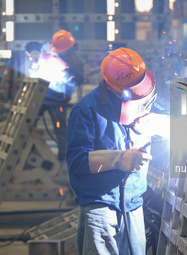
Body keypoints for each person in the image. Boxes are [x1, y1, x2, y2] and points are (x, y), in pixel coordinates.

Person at [66, 48, 162, 255]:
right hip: (100, 208)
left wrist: (159, 123)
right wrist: (120, 159)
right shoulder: (86, 110)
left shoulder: (146, 100)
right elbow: (77, 160)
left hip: (134, 206)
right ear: (117, 90)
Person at [25, 30, 83, 161]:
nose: (55, 51)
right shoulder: (45, 49)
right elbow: (30, 46)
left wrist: (66, 75)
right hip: (40, 95)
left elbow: (78, 81)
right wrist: (33, 53)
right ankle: (29, 155)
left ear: (68, 49)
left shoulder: (75, 62)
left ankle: (63, 160)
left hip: (58, 100)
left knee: (60, 130)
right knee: (28, 124)